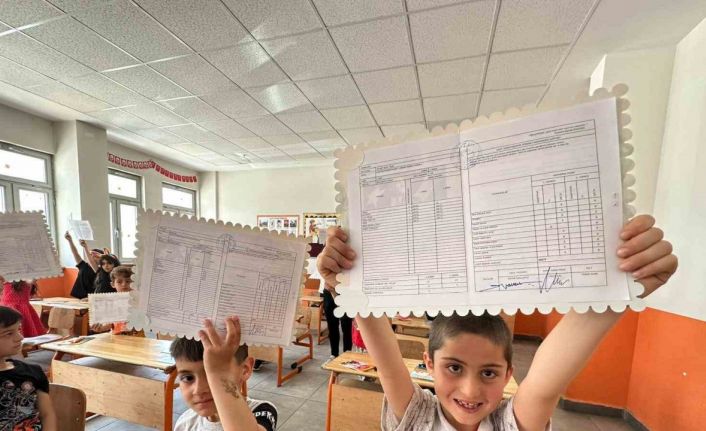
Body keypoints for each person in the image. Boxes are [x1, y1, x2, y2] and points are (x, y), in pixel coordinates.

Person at [317, 215, 677, 430]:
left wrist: (625, 284)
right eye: (454, 367)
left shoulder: (508, 424)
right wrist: (345, 282)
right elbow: (386, 358)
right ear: (428, 364)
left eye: (489, 372)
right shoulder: (417, 418)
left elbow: (545, 383)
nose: (470, 390)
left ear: (508, 375)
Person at [171, 316, 278, 431]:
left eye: (209, 376)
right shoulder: (185, 423)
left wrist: (219, 374)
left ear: (245, 369)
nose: (198, 390)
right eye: (188, 378)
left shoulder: (262, 411)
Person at [0, 306, 57, 430]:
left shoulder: (32, 371)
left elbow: (47, 414)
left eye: (18, 329)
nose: (20, 337)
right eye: (9, 333)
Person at [90, 266, 143, 336]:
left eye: (128, 281)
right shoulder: (111, 303)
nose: (124, 284)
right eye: (119, 282)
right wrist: (100, 328)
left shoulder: (140, 300)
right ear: (113, 284)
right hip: (116, 338)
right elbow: (111, 324)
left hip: (137, 338)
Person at [64, 231, 102, 299]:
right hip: (77, 296)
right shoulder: (83, 265)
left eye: (96, 256)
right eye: (90, 255)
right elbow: (75, 253)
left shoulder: (100, 271)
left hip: (89, 298)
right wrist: (70, 241)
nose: (92, 257)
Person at [322, 282, 352, 359]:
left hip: (346, 291)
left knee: (346, 326)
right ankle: (334, 354)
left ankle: (347, 356)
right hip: (329, 291)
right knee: (332, 326)